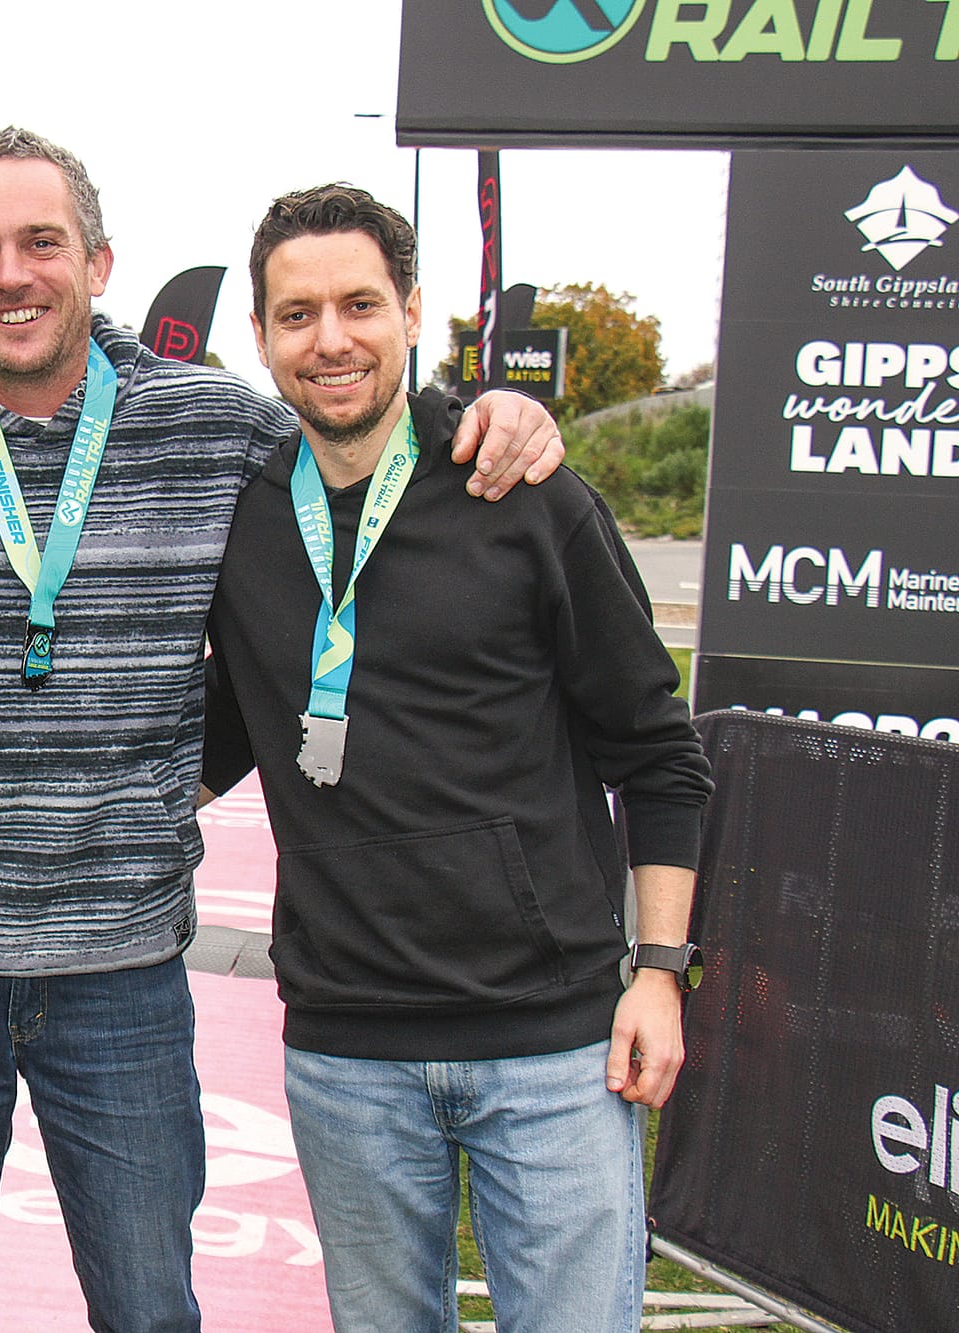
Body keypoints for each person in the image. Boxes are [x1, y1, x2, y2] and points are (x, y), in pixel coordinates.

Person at [0, 126, 570, 1333]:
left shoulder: (211, 424)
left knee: (151, 1309)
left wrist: (491, 413)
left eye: (41, 242)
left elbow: (368, 447)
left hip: (121, 967)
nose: (10, 274)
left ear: (98, 262)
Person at [200, 183, 714, 1332]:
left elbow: (655, 755)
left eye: (357, 305)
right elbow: (221, 735)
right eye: (296, 315)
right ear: (261, 336)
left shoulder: (519, 489)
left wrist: (657, 972)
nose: (329, 340)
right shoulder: (241, 520)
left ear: (411, 311)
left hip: (552, 1044)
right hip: (346, 1053)